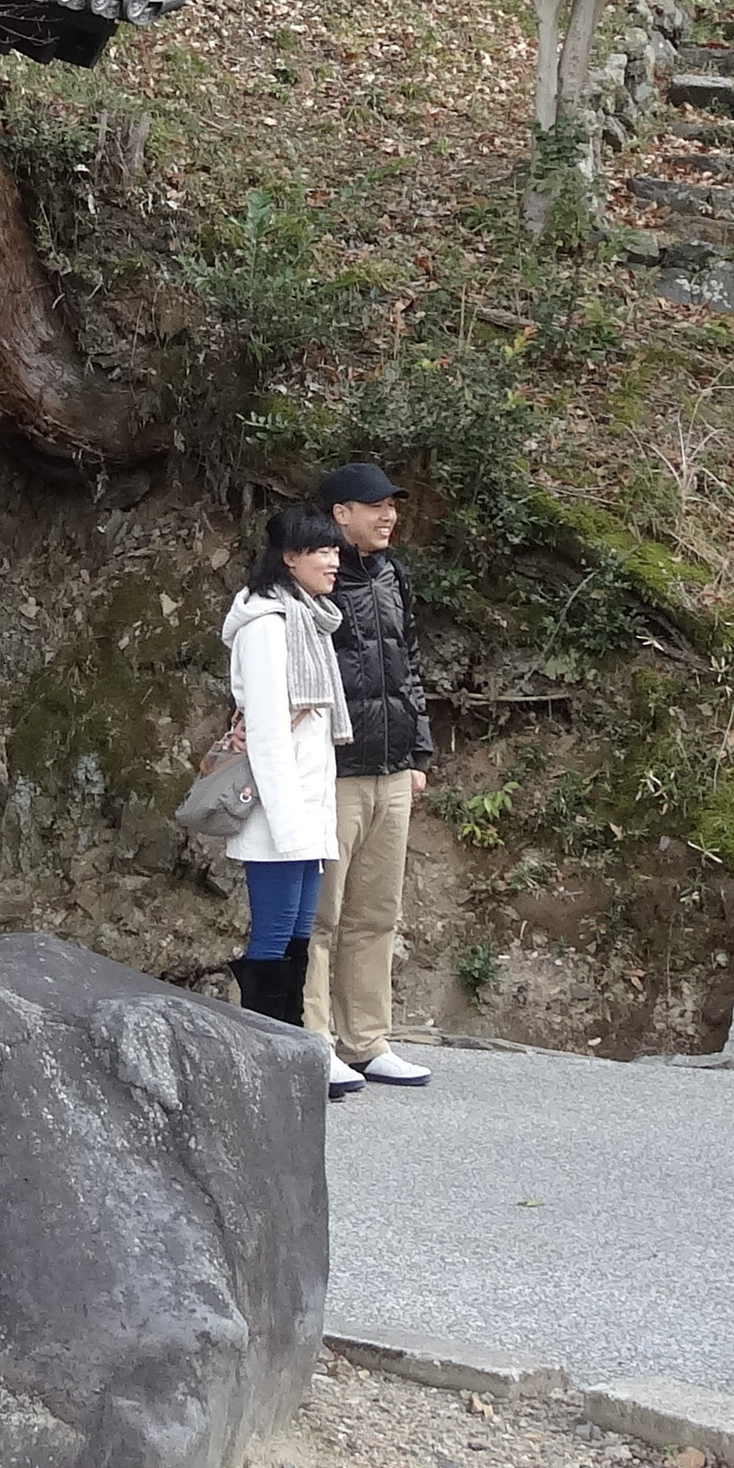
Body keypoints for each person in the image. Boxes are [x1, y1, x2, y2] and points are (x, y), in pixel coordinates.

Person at [308, 461, 435, 1091]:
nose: (388, 515)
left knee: (376, 913)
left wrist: (419, 753)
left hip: (392, 768)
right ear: (340, 514)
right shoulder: (313, 583)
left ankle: (368, 1041)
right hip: (333, 771)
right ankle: (314, 1043)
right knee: (320, 916)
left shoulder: (392, 575)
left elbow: (410, 664)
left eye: (392, 505)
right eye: (374, 505)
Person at [216, 505, 350, 1057]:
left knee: (299, 936)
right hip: (279, 813)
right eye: (322, 550)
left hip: (307, 809)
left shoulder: (310, 621)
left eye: (336, 550)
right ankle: (268, 1055)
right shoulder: (268, 627)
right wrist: (293, 823)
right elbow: (269, 734)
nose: (334, 561)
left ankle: (298, 1051)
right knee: (273, 937)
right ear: (289, 559)